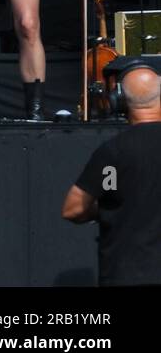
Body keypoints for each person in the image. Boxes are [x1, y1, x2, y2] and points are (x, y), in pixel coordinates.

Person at [63, 64, 161, 286]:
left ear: (119, 101)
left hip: (126, 274)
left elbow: (73, 208)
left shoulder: (113, 153)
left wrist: (108, 207)